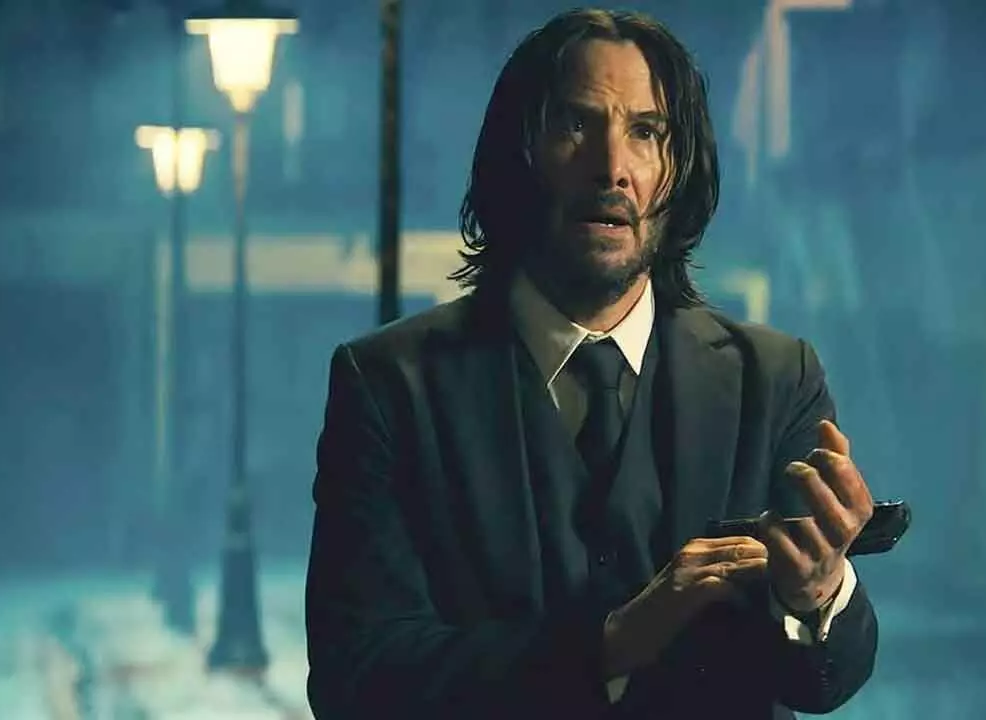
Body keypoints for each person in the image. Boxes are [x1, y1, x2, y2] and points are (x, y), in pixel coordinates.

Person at [305, 8, 879, 719]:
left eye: (647, 132)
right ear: (518, 155)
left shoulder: (777, 378)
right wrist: (610, 646)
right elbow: (356, 679)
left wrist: (819, 592)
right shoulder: (389, 385)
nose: (612, 168)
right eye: (576, 125)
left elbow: (822, 682)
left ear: (680, 169)